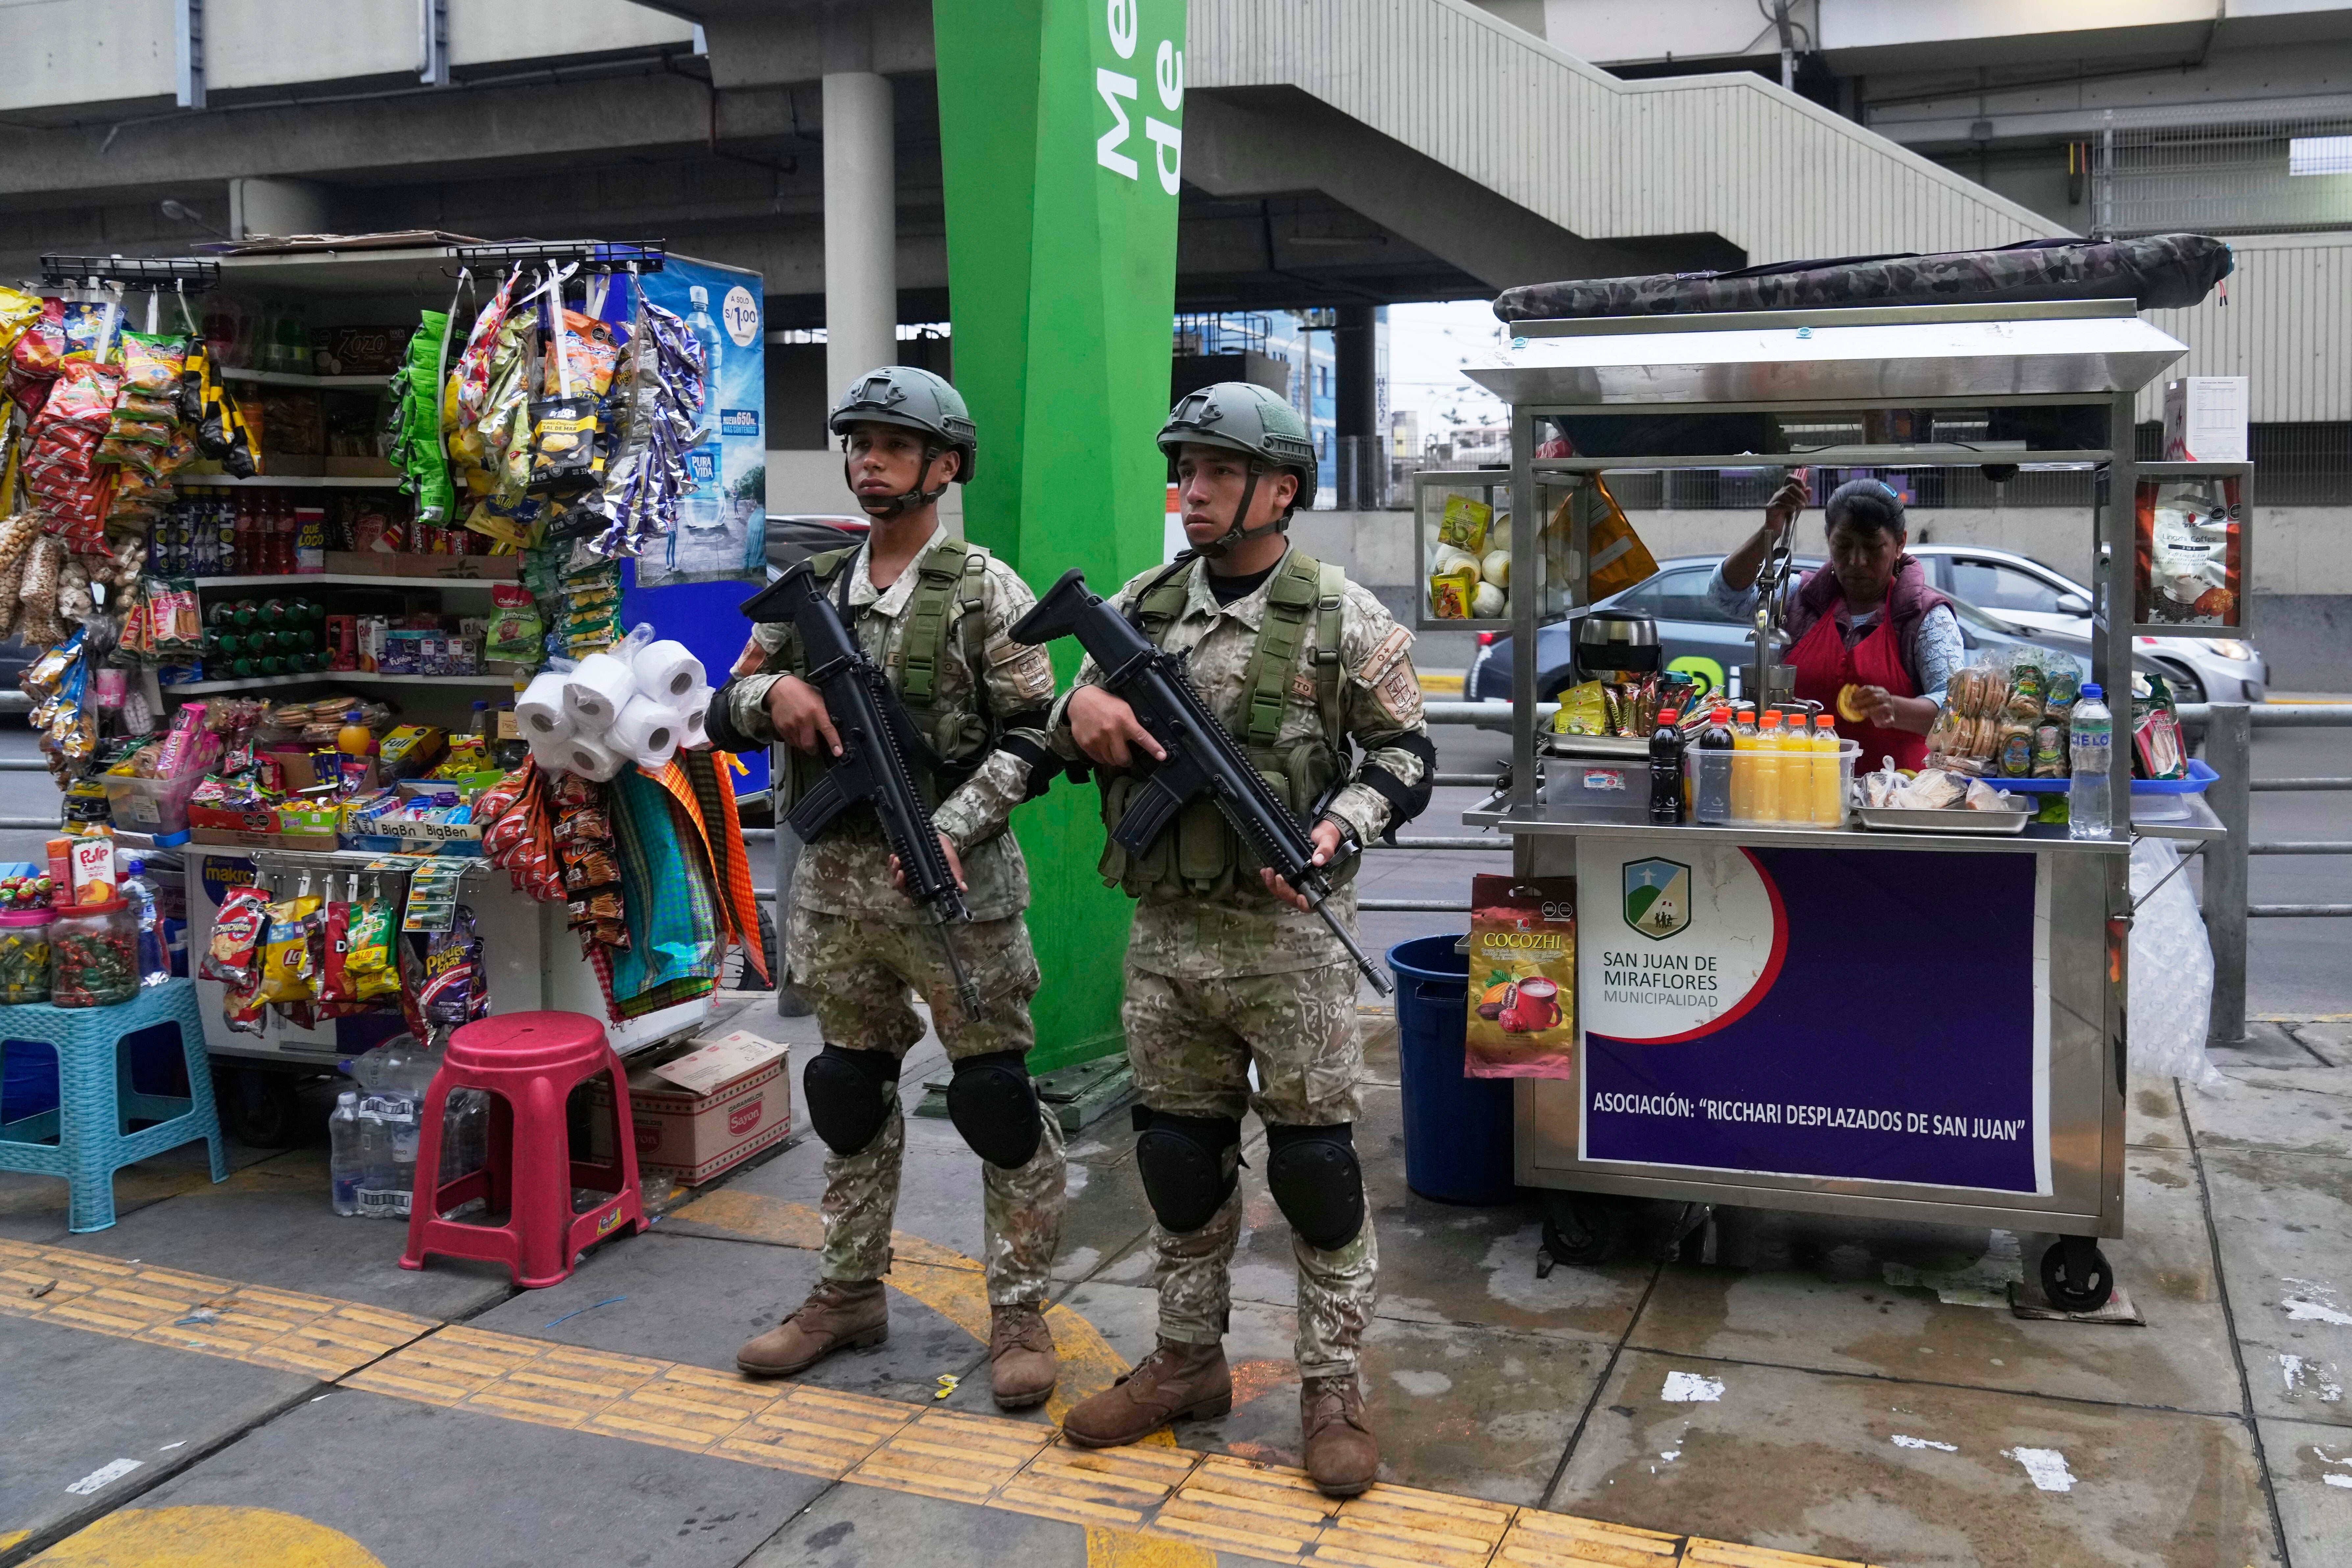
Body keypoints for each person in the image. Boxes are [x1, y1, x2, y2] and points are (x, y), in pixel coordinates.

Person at [1051, 383, 1436, 1496]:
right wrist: (1082, 717)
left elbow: (1405, 759)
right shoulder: (1143, 603)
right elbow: (1059, 718)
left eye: (1221, 470)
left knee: (1315, 1173)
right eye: (1188, 468)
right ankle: (1185, 1360)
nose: (1197, 490)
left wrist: (1334, 826)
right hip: (1169, 938)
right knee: (1178, 1158)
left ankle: (1331, 1384)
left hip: (1292, 948)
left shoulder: (1342, 615)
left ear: (1283, 488)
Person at [712, 366, 1069, 1409]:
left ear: (944, 465)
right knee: (847, 1089)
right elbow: (724, 700)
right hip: (833, 887)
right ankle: (848, 1290)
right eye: (856, 443)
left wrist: (951, 829)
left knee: (996, 1101)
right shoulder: (812, 587)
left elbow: (1035, 735)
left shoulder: (984, 590)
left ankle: (1020, 1310)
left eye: (890, 444)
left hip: (955, 889)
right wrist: (768, 691)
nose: (866, 459)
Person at [1709, 474, 1962, 769]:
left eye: (1872, 547)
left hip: (1894, 796)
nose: (1857, 560)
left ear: (1899, 544)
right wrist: (1770, 531)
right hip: (1800, 788)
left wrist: (1895, 707)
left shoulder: (1926, 617)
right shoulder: (1799, 598)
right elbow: (1725, 595)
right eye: (1843, 546)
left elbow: (1955, 709)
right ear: (1829, 540)